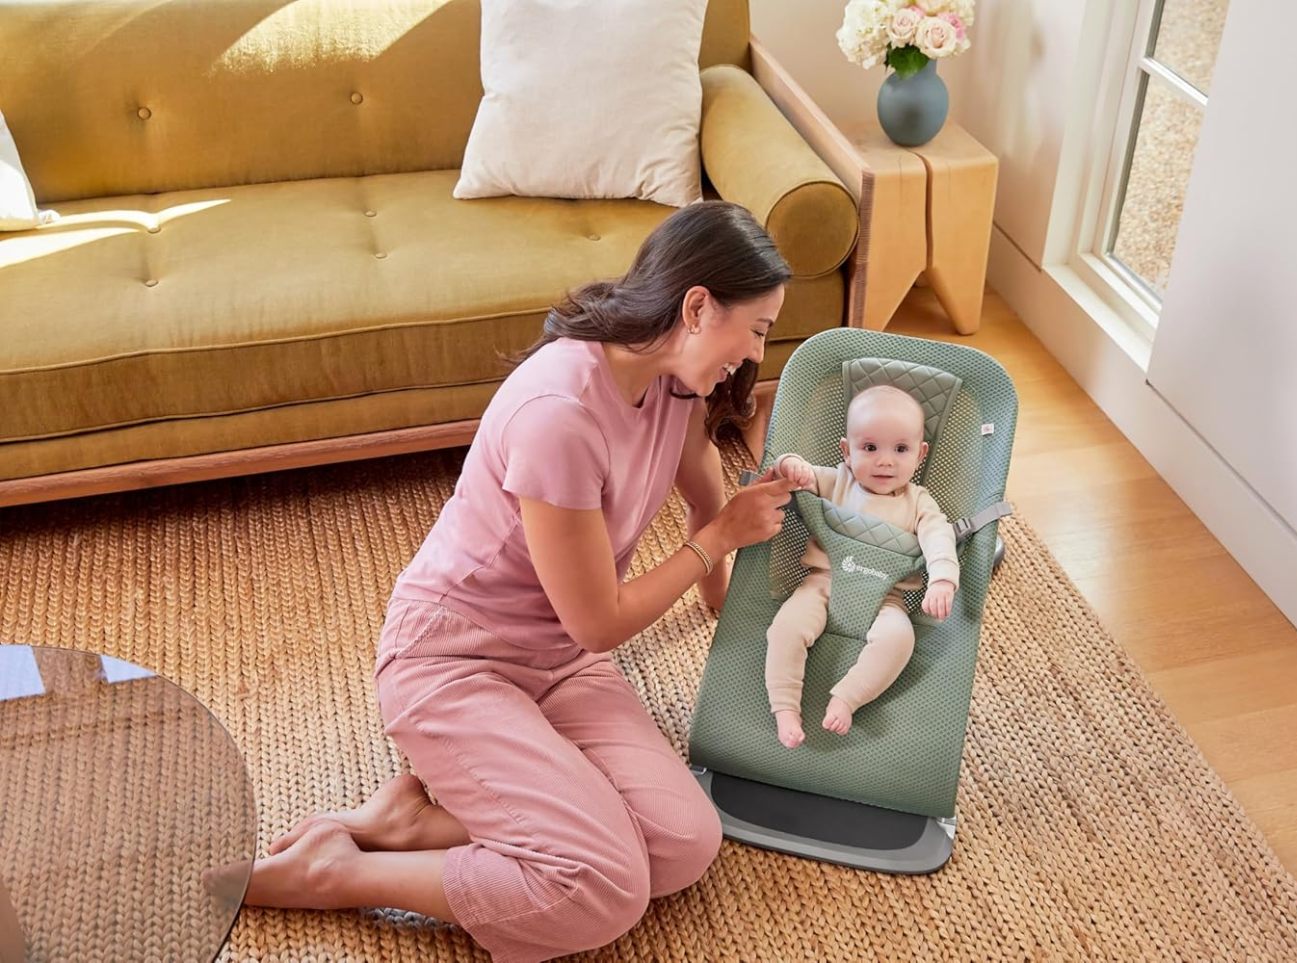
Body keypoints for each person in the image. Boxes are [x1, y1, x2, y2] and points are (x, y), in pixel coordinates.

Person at [237, 200, 799, 962]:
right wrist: (713, 541)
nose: (757, 352)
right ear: (697, 307)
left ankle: (410, 823)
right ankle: (339, 872)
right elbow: (600, 621)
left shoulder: (673, 379)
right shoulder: (559, 413)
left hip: (558, 661)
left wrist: (727, 581)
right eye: (758, 329)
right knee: (602, 885)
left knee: (683, 841)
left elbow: (703, 489)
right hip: (453, 659)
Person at [765, 385, 957, 748]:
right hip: (823, 584)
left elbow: (939, 536)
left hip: (886, 598)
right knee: (784, 630)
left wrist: (942, 579)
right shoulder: (836, 480)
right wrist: (791, 464)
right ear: (846, 451)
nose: (885, 461)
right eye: (870, 448)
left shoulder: (919, 502)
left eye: (900, 449)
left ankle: (848, 698)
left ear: (921, 454)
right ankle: (785, 707)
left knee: (900, 639)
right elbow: (793, 472)